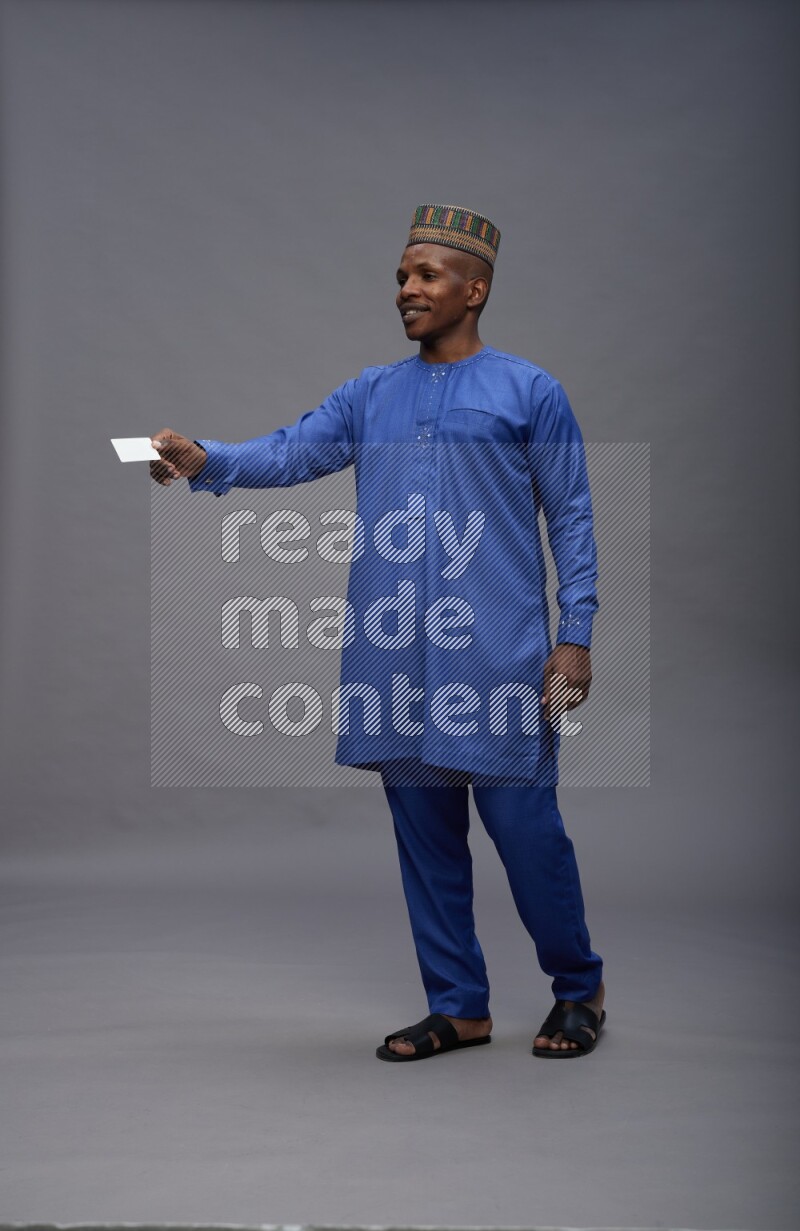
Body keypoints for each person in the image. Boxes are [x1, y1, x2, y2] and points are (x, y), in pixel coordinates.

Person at [150, 203, 606, 1061]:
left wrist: (574, 634)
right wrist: (205, 459)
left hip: (498, 655)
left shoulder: (529, 390)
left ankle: (579, 988)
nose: (406, 289)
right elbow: (290, 452)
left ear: (475, 289)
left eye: (426, 275)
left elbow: (571, 516)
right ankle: (459, 1005)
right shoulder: (371, 393)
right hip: (395, 655)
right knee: (426, 841)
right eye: (401, 275)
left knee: (526, 835)